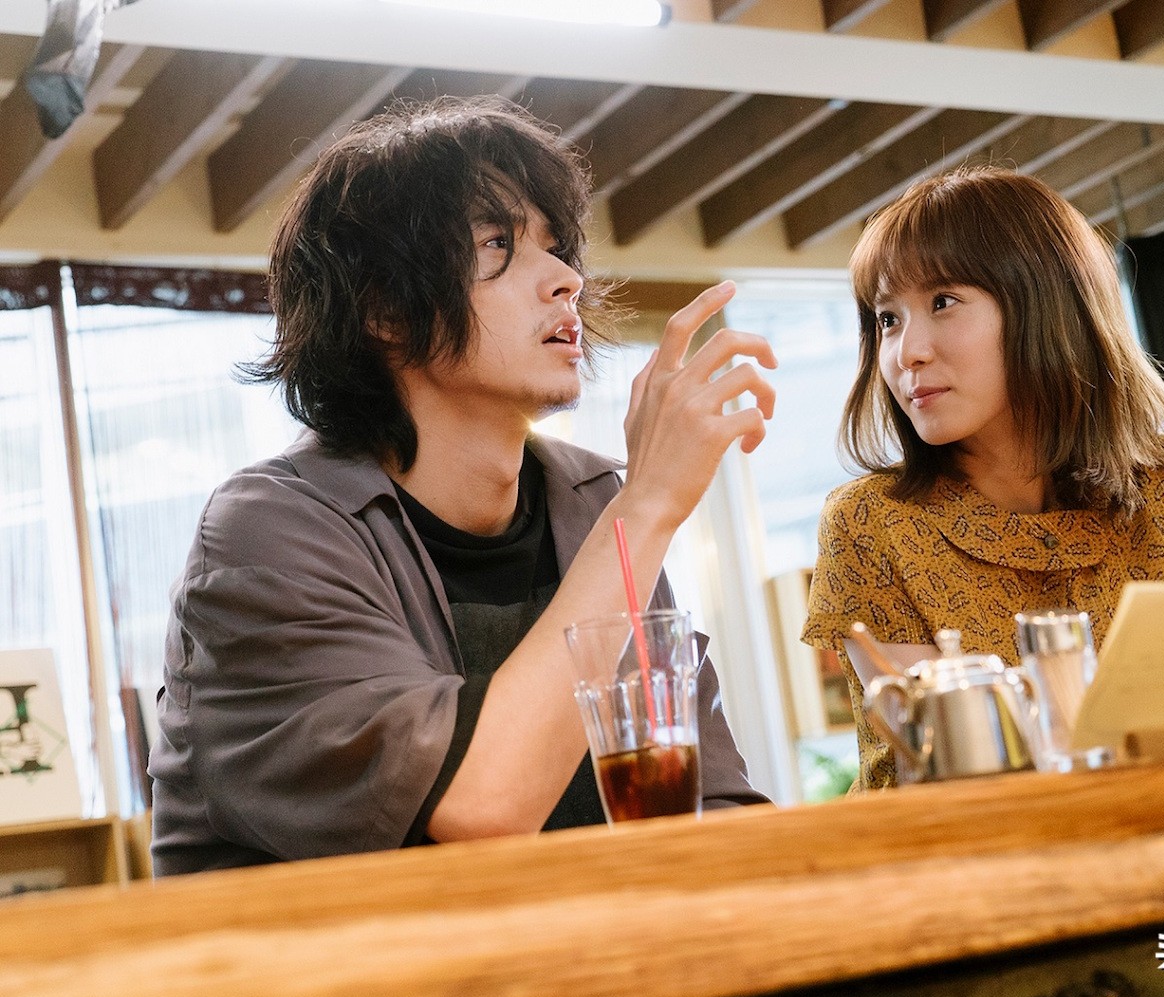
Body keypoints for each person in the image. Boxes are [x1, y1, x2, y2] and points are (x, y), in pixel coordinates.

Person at [149, 95, 777, 875]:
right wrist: (648, 505)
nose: (566, 280)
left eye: (559, 248)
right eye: (499, 243)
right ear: (385, 308)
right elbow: (482, 804)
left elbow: (709, 801)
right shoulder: (267, 535)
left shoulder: (591, 504)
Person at [801, 166, 1164, 790]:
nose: (906, 352)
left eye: (942, 302)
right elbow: (951, 766)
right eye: (887, 318)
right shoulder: (870, 523)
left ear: (1045, 304)